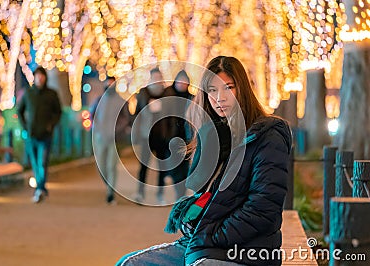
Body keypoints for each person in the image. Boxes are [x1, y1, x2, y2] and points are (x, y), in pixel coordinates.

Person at [116, 56, 292, 265]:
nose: (220, 97)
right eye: (213, 91)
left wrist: (209, 235)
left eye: (229, 88)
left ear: (242, 89)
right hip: (206, 243)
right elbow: (205, 196)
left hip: (247, 251)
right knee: (130, 263)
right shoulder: (215, 135)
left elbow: (263, 210)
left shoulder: (267, 136)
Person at [18, 66, 62, 203]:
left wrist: (51, 125)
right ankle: (41, 187)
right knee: (35, 164)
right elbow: (20, 111)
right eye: (37, 76)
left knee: (42, 162)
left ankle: (40, 188)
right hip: (31, 135)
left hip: (46, 135)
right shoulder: (28, 93)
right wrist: (25, 127)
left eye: (42, 76)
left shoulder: (51, 94)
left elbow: (58, 112)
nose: (39, 78)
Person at [133, 67, 171, 205]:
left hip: (162, 135)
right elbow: (137, 114)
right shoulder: (143, 93)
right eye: (154, 77)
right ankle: (140, 193)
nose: (157, 80)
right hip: (146, 136)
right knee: (143, 166)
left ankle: (160, 195)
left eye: (158, 78)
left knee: (162, 167)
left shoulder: (167, 93)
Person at [92, 76, 130, 204]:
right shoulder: (98, 100)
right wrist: (97, 128)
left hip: (114, 139)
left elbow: (126, 118)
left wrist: (117, 129)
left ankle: (110, 192)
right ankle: (108, 184)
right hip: (100, 138)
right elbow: (92, 116)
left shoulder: (121, 101)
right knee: (101, 166)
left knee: (111, 166)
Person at [162, 70, 194, 200]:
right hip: (172, 136)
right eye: (180, 81)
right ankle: (178, 190)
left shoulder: (192, 97)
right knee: (174, 165)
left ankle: (181, 192)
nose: (182, 84)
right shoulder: (169, 95)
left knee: (185, 164)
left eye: (185, 81)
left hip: (187, 136)